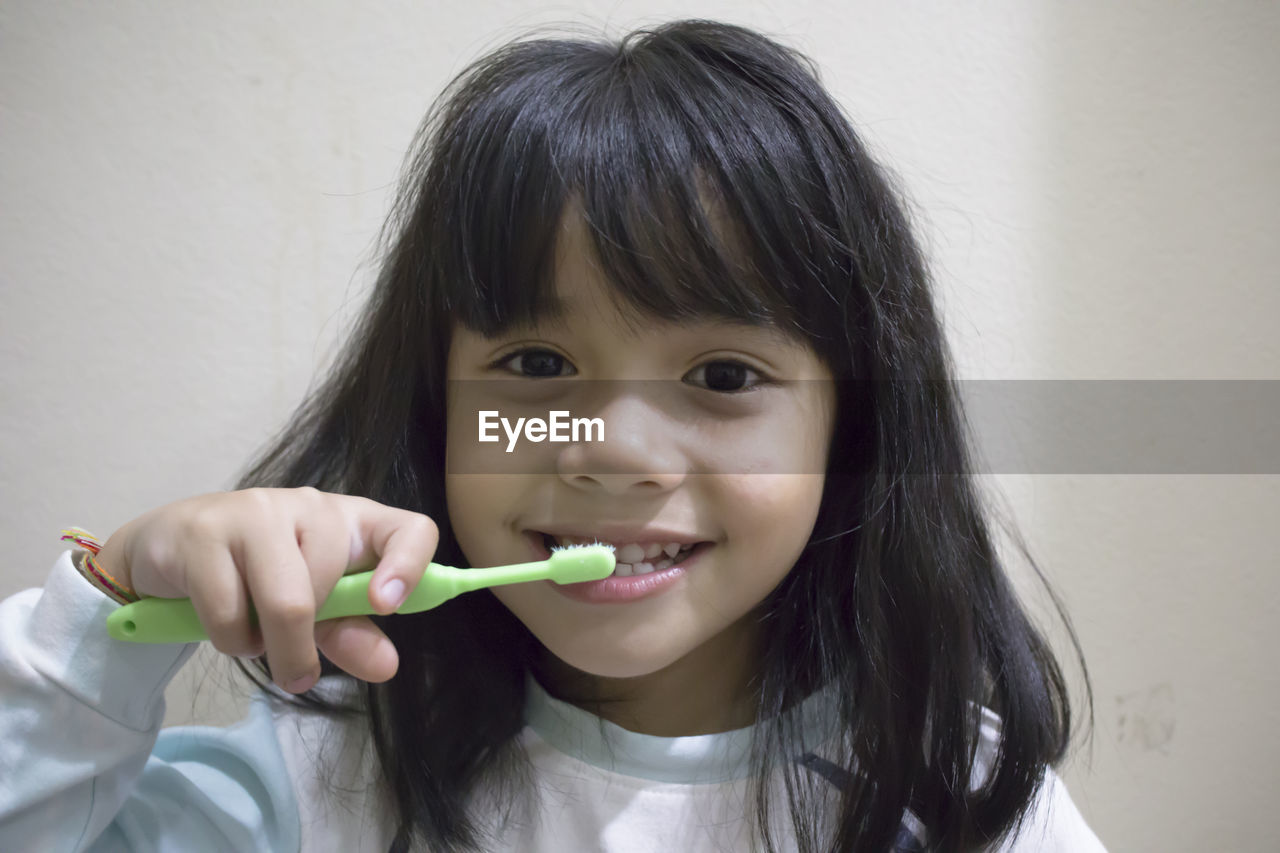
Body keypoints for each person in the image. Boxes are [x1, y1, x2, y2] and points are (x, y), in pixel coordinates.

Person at [0, 18, 1107, 852]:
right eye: (536, 369)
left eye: (721, 376)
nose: (613, 451)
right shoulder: (318, 780)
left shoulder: (959, 792)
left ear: (848, 430)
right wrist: (104, 617)